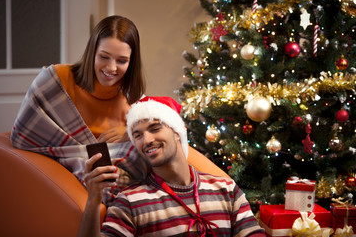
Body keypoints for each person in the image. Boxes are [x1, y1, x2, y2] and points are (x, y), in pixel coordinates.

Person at [10, 15, 149, 206]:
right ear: (92, 51)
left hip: (117, 174)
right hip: (71, 170)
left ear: (132, 62)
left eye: (122, 61)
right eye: (104, 57)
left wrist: (129, 133)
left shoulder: (132, 96)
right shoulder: (57, 79)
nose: (111, 68)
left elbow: (146, 146)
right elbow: (22, 134)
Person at [78, 96, 266, 237]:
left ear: (177, 133)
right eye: (138, 135)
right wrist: (93, 199)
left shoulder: (227, 189)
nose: (147, 140)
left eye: (155, 129)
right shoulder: (129, 202)